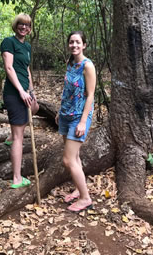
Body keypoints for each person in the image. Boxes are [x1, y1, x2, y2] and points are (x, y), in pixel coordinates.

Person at [55, 31, 96, 212]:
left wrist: (82, 121)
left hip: (79, 116)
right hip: (66, 114)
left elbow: (91, 95)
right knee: (75, 157)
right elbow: (67, 90)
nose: (74, 45)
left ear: (84, 45)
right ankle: (80, 190)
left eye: (78, 42)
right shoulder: (70, 63)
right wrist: (59, 111)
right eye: (71, 42)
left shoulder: (88, 66)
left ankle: (85, 198)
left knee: (68, 159)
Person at [0, 13, 36, 189]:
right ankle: (16, 179)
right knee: (19, 138)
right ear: (16, 25)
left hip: (25, 91)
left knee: (35, 108)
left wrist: (31, 90)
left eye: (27, 25)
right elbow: (9, 67)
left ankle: (11, 136)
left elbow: (26, 69)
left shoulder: (27, 46)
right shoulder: (9, 42)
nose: (24, 27)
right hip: (14, 94)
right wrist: (21, 91)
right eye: (21, 24)